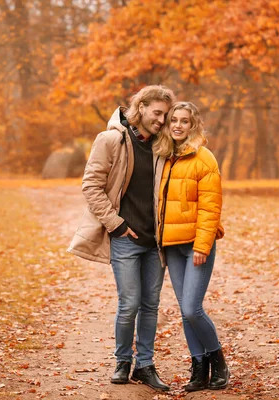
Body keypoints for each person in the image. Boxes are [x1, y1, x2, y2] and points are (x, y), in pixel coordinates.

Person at [68, 85, 176, 392]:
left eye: (165, 115)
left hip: (155, 241)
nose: (161, 120)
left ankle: (145, 365)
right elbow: (91, 186)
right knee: (129, 304)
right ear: (140, 108)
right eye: (157, 113)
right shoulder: (111, 139)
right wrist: (115, 224)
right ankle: (122, 362)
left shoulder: (163, 144)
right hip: (126, 239)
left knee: (150, 305)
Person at [154, 101, 229, 392]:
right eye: (174, 119)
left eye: (184, 121)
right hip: (172, 245)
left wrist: (203, 245)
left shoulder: (204, 158)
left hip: (196, 246)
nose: (178, 125)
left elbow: (211, 208)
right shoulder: (163, 157)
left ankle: (218, 361)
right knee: (185, 311)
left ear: (193, 125)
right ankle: (199, 369)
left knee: (192, 308)